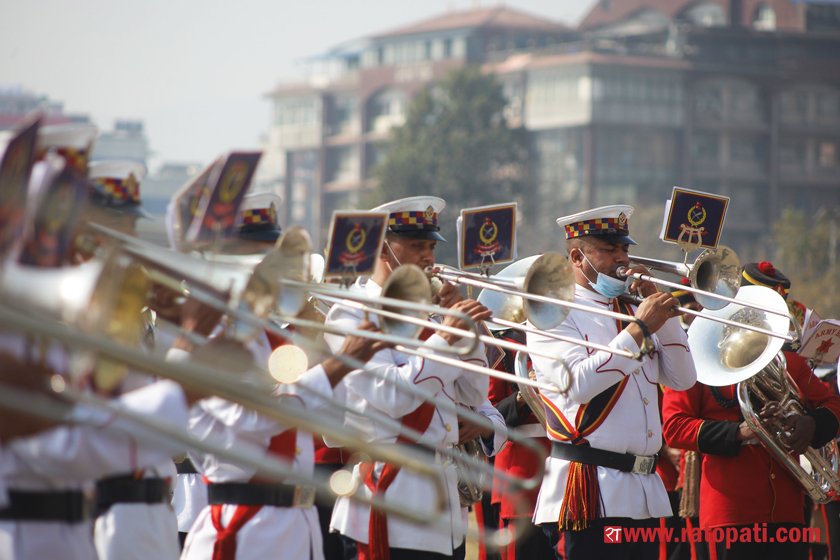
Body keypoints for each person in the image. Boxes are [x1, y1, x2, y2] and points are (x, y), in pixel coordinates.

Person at [323, 195, 493, 559]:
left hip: (444, 504)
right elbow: (393, 398)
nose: (429, 257)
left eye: (431, 246)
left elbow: (475, 392)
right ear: (384, 250)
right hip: (389, 499)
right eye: (417, 246)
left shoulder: (430, 314)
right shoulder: (352, 315)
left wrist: (467, 332)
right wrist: (446, 338)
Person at [526, 204, 697, 560]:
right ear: (576, 256)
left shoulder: (633, 308)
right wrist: (640, 329)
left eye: (624, 249)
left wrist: (662, 317)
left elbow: (683, 379)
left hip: (642, 494)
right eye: (608, 250)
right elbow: (578, 385)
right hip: (589, 493)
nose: (622, 259)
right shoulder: (553, 311)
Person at [662, 261, 840, 560]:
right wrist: (742, 432)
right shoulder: (698, 361)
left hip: (787, 510)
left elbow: (833, 405)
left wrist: (811, 423)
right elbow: (675, 426)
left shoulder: (788, 362)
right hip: (729, 513)